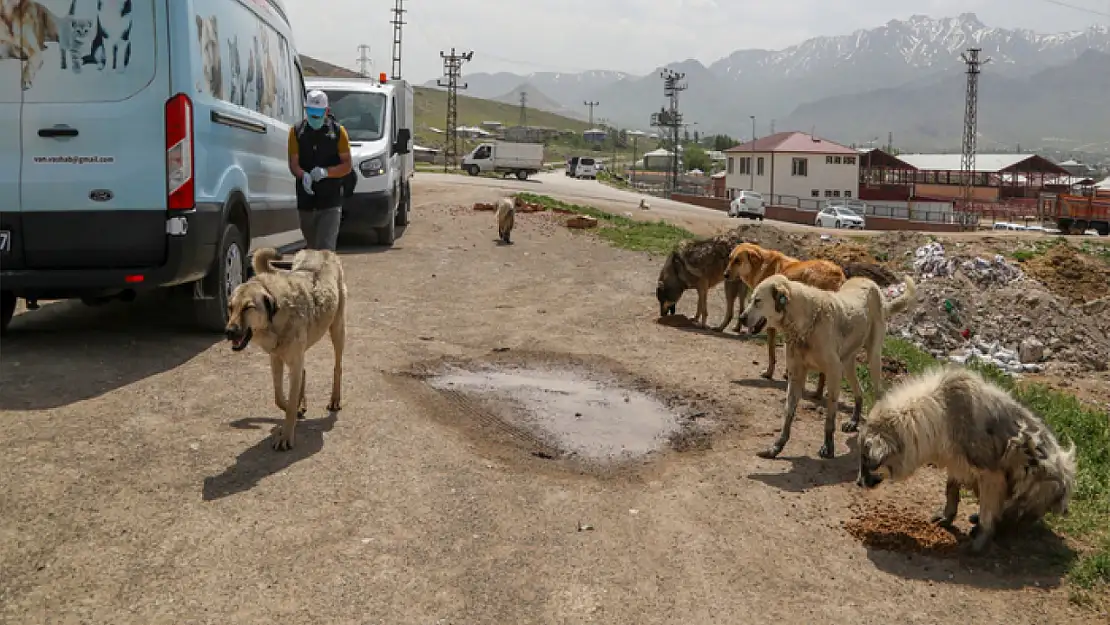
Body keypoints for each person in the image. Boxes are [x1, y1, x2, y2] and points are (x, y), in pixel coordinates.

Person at [287, 90, 353, 250]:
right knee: (311, 247)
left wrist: (326, 172)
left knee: (325, 249)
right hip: (306, 202)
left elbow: (347, 165)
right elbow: (293, 163)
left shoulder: (338, 132)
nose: (314, 117)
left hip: (330, 201)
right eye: (311, 112)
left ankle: (326, 275)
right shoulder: (296, 132)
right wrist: (303, 175)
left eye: (318, 113)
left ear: (326, 111)